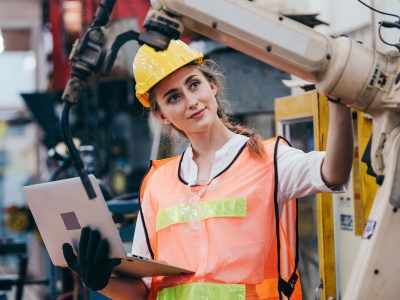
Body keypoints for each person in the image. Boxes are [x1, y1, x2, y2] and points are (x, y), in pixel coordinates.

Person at [62, 39, 353, 300]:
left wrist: (338, 103)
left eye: (194, 84)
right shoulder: (157, 185)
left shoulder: (270, 160)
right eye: (173, 97)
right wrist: (100, 282)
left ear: (212, 85)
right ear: (162, 115)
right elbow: (143, 292)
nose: (191, 101)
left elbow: (334, 172)